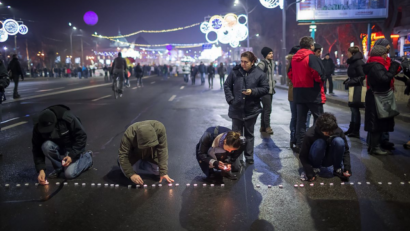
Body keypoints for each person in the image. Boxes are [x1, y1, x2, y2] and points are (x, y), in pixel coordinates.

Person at [224, 51, 269, 164]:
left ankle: (249, 157)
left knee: (249, 134)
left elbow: (265, 88)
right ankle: (236, 158)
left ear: (252, 62)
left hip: (251, 110)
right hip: (236, 109)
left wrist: (253, 91)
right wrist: (231, 100)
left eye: (246, 62)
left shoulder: (259, 74)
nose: (243, 64)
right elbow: (227, 85)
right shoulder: (235, 72)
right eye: (242, 61)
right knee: (236, 136)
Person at [32, 105, 93, 184]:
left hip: (71, 147)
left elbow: (81, 136)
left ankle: (88, 158)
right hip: (58, 146)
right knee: (46, 146)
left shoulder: (66, 117)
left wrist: (72, 155)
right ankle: (59, 168)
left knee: (69, 174)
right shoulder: (38, 125)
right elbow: (37, 149)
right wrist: (41, 170)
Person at [288, 36, 325, 152]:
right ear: (311, 46)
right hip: (312, 93)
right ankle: (315, 143)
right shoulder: (311, 58)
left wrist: (297, 82)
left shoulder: (294, 59)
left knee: (301, 121)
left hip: (299, 93)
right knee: (318, 119)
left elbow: (290, 73)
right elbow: (318, 75)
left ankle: (300, 144)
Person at [363, 45, 401, 155]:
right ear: (382, 54)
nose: (386, 56)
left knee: (376, 122)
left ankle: (374, 146)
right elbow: (384, 79)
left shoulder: (374, 65)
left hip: (374, 96)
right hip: (377, 97)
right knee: (377, 122)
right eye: (385, 54)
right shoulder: (377, 66)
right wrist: (393, 67)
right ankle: (375, 148)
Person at [117, 120, 174, 185]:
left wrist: (163, 172)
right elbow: (123, 155)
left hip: (150, 155)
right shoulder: (129, 135)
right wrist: (131, 174)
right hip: (134, 155)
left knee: (158, 171)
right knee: (128, 172)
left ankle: (141, 164)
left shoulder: (160, 129)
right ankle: (129, 163)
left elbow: (162, 150)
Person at [299, 113, 351, 182]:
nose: (329, 133)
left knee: (339, 141)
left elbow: (346, 151)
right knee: (320, 142)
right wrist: (309, 170)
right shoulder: (310, 133)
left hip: (329, 158)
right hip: (316, 157)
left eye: (331, 131)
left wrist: (347, 168)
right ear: (320, 129)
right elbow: (302, 155)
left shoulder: (338, 131)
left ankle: (337, 168)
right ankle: (315, 168)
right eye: (327, 132)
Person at [344, 47, 365, 138]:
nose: (347, 54)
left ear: (352, 53)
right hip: (353, 86)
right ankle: (352, 129)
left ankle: (355, 131)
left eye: (348, 52)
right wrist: (348, 81)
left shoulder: (358, 62)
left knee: (355, 109)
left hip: (357, 88)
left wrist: (350, 81)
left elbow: (362, 76)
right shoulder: (354, 62)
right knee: (353, 108)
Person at [257, 47, 276, 135]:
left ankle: (262, 126)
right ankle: (267, 127)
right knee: (268, 109)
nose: (271, 55)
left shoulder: (272, 63)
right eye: (269, 53)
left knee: (265, 109)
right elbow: (257, 76)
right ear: (265, 55)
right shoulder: (262, 64)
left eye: (272, 53)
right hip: (265, 90)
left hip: (270, 89)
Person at [286, 46, 300, 149]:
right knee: (298, 117)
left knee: (295, 116)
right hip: (297, 91)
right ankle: (296, 138)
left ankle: (293, 137)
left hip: (292, 93)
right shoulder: (294, 61)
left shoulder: (290, 62)